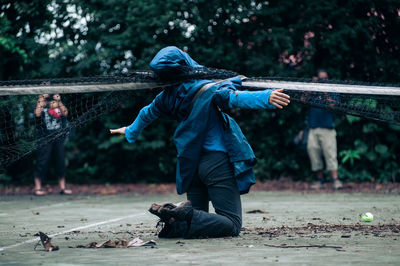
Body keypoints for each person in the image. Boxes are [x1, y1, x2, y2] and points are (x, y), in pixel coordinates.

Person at [110, 46, 290, 238]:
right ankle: (181, 213)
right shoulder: (208, 88)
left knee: (193, 222)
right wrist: (266, 97)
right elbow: (231, 98)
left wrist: (130, 130)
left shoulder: (165, 98)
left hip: (190, 164)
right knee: (232, 224)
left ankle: (173, 220)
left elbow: (146, 113)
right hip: (215, 162)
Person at [307, 70, 343, 190]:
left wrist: (324, 90)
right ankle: (320, 181)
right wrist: (311, 86)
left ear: (328, 79)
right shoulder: (311, 90)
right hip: (313, 128)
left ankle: (335, 180)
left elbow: (333, 105)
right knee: (314, 154)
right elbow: (303, 99)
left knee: (330, 154)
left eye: (324, 79)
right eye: (320, 78)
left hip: (327, 128)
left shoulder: (332, 90)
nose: (322, 81)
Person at [33, 93, 71, 195]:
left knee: (60, 161)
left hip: (58, 137)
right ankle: (38, 188)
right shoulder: (41, 103)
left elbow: (65, 113)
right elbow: (37, 113)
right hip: (44, 137)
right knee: (42, 161)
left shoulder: (56, 102)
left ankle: (62, 187)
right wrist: (41, 97)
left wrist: (59, 100)